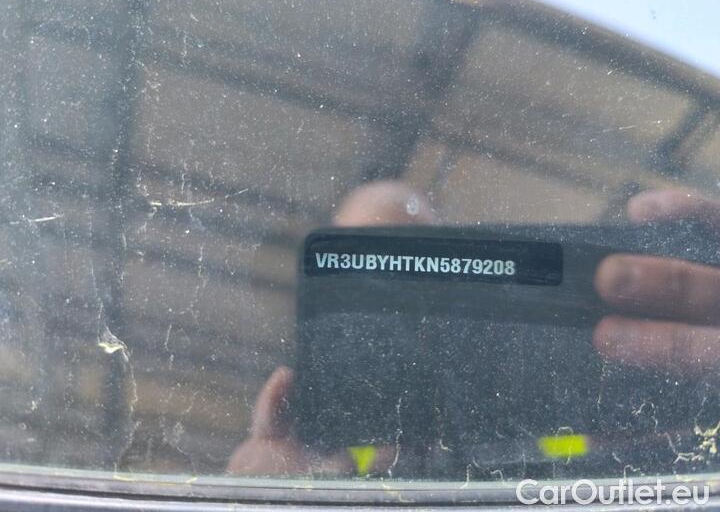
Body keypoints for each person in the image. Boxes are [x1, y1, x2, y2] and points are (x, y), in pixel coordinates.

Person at [227, 183, 720, 475]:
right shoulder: (319, 432)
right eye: (366, 267)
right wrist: (278, 489)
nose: (398, 290)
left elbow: (609, 470)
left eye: (420, 256)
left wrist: (672, 441)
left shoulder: (535, 370)